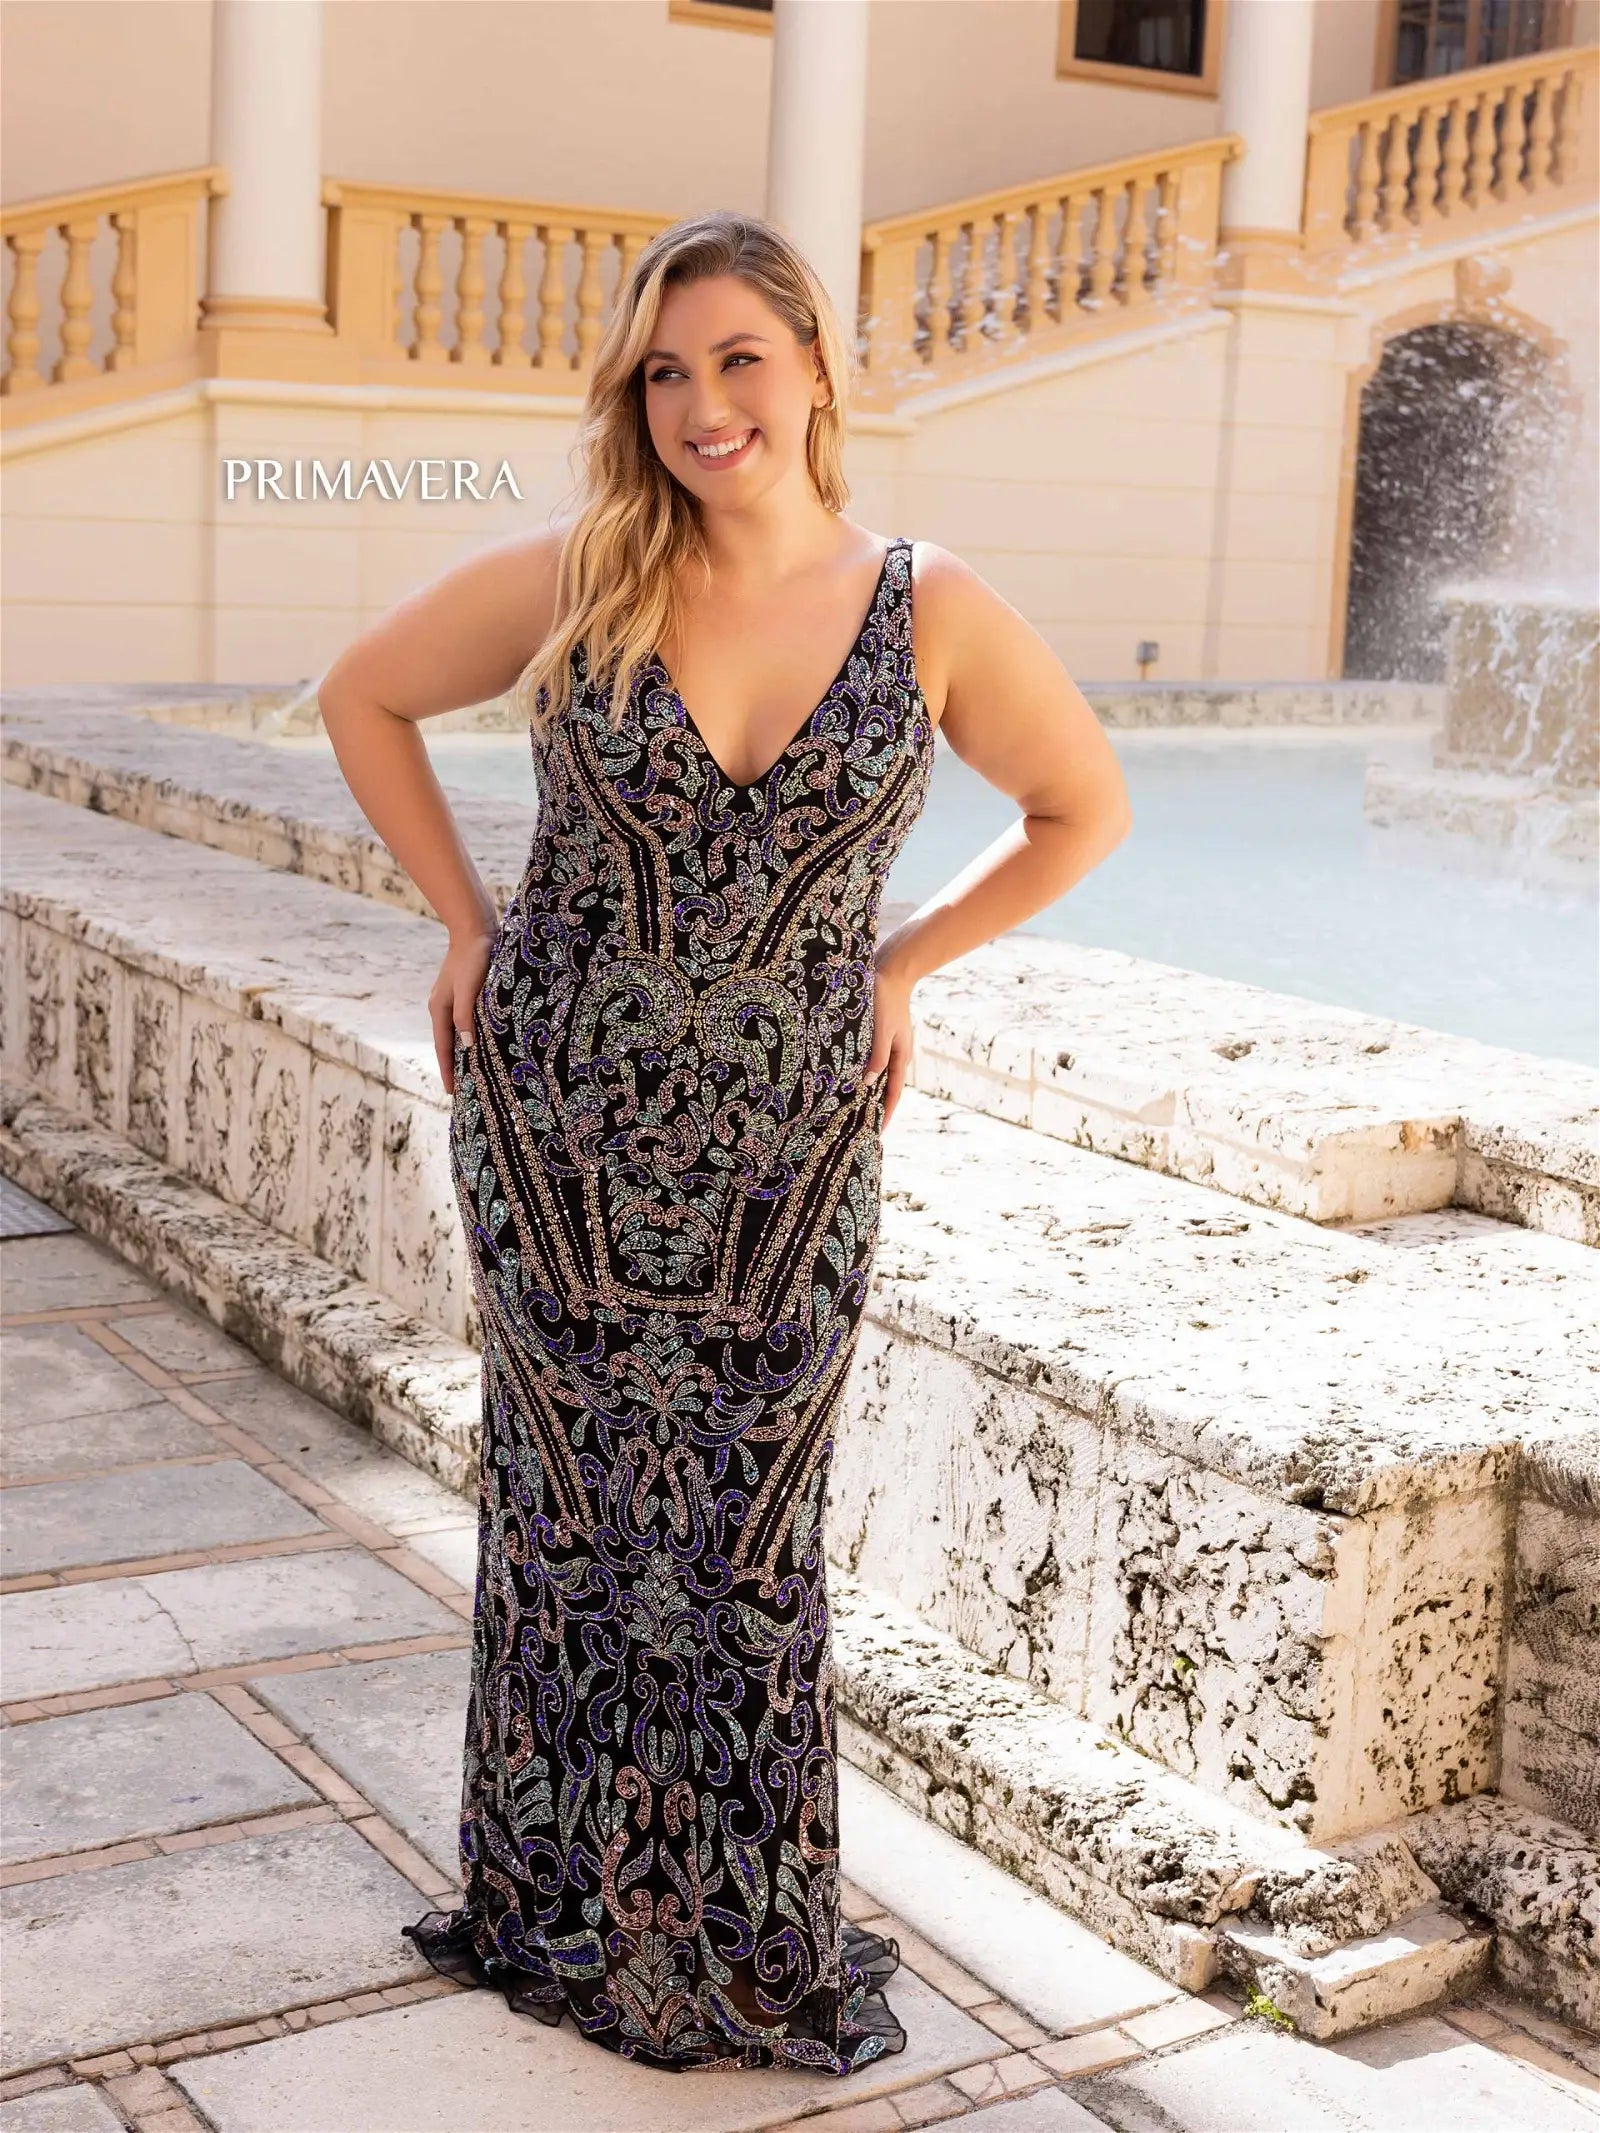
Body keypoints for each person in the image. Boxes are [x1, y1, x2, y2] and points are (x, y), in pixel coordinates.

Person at [316, 208, 1131, 2077]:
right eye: (665, 372)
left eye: (738, 359)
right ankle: (558, 1902)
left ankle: (746, 1937)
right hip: (558, 1130)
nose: (702, 405)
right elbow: (363, 694)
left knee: (755, 1540)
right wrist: (465, 919)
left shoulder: (928, 605)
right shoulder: (586, 576)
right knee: (571, 1524)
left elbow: (1080, 806)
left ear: (817, 368)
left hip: (791, 1159)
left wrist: (902, 960)